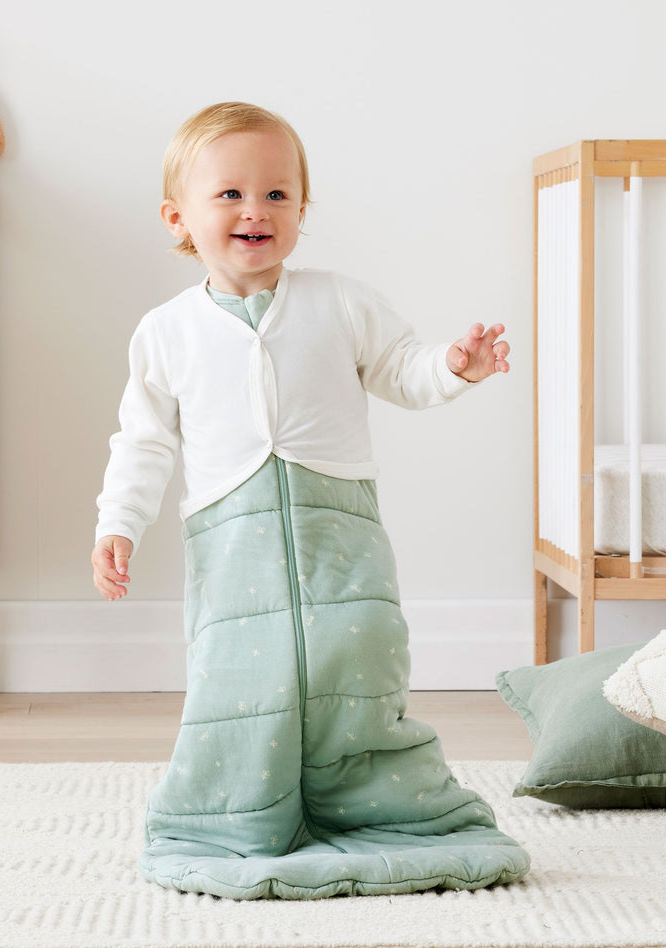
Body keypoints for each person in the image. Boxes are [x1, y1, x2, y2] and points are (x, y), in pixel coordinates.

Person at [92, 102, 529, 899]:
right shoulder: (165, 332)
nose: (255, 210)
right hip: (231, 542)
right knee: (240, 680)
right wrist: (117, 524)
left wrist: (457, 365)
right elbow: (144, 441)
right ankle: (240, 809)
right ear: (178, 216)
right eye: (229, 194)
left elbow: (404, 370)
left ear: (301, 209)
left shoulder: (341, 301)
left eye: (278, 195)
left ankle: (372, 800)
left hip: (342, 533)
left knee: (358, 660)